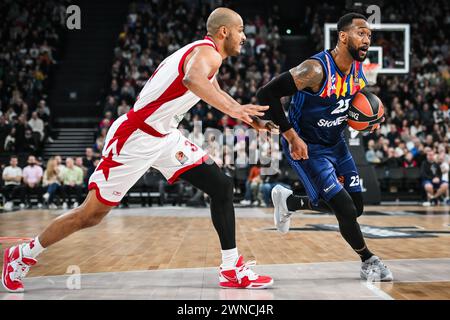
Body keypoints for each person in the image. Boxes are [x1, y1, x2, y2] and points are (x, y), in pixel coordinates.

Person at [2, 8, 275, 293]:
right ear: (224, 32)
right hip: (135, 138)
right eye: (241, 30)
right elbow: (192, 81)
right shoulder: (208, 54)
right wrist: (235, 110)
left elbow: (212, 90)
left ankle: (230, 267)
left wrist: (248, 118)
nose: (244, 37)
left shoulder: (205, 55)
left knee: (221, 186)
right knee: (90, 215)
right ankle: (22, 254)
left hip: (164, 136)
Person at [256, 13, 392, 281]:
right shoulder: (315, 70)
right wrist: (291, 136)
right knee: (344, 209)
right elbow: (266, 94)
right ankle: (369, 260)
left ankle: (290, 201)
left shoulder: (358, 70)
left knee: (356, 207)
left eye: (369, 36)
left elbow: (351, 108)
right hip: (308, 147)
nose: (367, 39)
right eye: (361, 33)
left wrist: (371, 121)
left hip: (337, 144)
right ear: (343, 36)